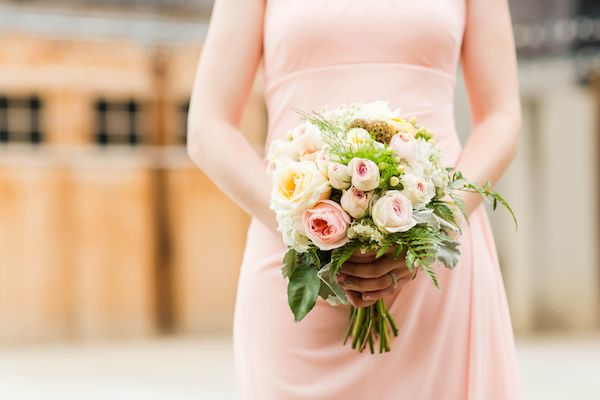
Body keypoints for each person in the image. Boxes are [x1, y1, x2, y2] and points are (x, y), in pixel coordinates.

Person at [187, 0, 521, 398]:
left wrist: (437, 220)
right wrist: (305, 229)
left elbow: (502, 116)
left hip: (432, 259)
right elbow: (208, 127)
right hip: (296, 261)